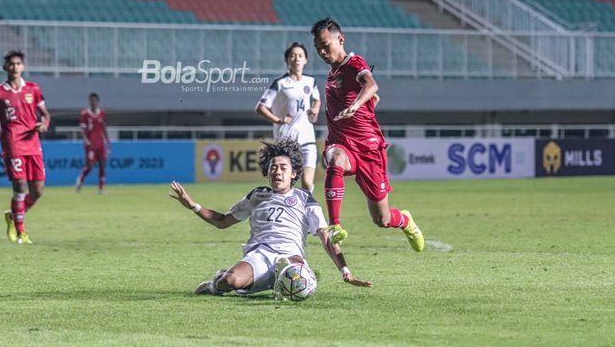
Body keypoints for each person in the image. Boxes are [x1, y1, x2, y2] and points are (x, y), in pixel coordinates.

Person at [169, 138, 371, 297]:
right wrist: (193, 206)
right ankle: (216, 284)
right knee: (228, 282)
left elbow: (325, 236)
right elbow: (222, 221)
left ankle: (291, 277)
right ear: (267, 172)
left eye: (283, 168)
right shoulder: (257, 195)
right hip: (260, 255)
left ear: (293, 174)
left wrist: (345, 270)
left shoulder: (304, 198)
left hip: (290, 256)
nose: (277, 172)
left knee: (297, 280)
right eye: (273, 167)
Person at [311, 17, 425, 251]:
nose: (322, 52)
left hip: (368, 148)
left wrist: (358, 103)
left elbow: (371, 84)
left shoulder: (354, 63)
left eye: (325, 45)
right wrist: (363, 101)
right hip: (341, 143)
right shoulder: (332, 74)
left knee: (382, 219)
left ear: (340, 39)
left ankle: (405, 220)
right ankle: (335, 225)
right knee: (335, 160)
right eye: (318, 49)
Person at [0, 50, 51, 244]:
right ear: (5, 67)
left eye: (18, 64)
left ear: (23, 67)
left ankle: (12, 216)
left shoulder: (33, 89)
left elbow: (45, 115)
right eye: (11, 64)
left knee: (38, 191)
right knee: (20, 185)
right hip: (13, 142)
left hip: (33, 142)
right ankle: (21, 232)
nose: (15, 67)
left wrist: (43, 125)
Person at [255, 42, 320, 192]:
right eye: (293, 55)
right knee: (284, 185)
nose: (297, 58)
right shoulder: (280, 83)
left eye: (300, 56)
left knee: (307, 182)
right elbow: (260, 107)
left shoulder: (310, 81)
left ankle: (305, 213)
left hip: (307, 138)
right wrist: (279, 120)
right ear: (287, 60)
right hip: (286, 141)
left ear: (306, 60)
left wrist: (315, 109)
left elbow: (316, 99)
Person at [76, 93, 110, 194]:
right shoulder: (85, 114)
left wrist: (107, 141)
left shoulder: (102, 113)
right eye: (91, 100)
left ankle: (101, 188)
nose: (93, 102)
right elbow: (82, 129)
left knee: (102, 165)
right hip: (91, 144)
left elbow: (104, 127)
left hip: (100, 143)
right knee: (90, 165)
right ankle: (80, 179)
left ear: (98, 101)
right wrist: (86, 140)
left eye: (95, 100)